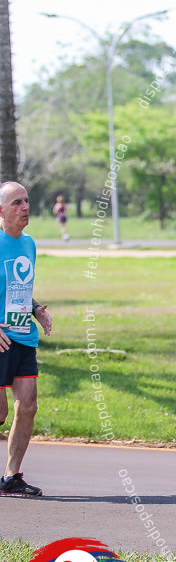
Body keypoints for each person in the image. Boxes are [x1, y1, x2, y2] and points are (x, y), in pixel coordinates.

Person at [0, 182, 52, 497]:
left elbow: (21, 286)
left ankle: (11, 476)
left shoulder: (29, 244)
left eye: (27, 201)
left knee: (28, 406)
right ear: (1, 211)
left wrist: (35, 310)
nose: (25, 207)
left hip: (23, 337)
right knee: (0, 413)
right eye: (17, 202)